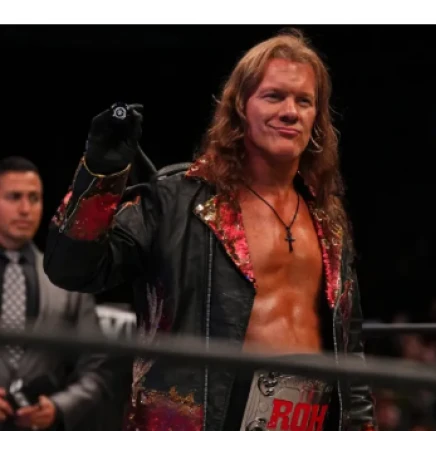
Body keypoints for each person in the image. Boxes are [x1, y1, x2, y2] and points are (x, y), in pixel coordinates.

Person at [44, 29, 377, 432]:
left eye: (304, 100)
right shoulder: (176, 200)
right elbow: (73, 270)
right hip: (201, 423)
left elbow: (349, 347)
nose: (291, 111)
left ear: (317, 117)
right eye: (274, 96)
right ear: (240, 107)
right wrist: (101, 175)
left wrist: (361, 431)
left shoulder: (328, 220)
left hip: (307, 424)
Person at [0, 156, 131, 431]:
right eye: (14, 197)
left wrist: (59, 407)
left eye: (34, 198)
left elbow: (96, 367)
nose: (25, 209)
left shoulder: (65, 280)